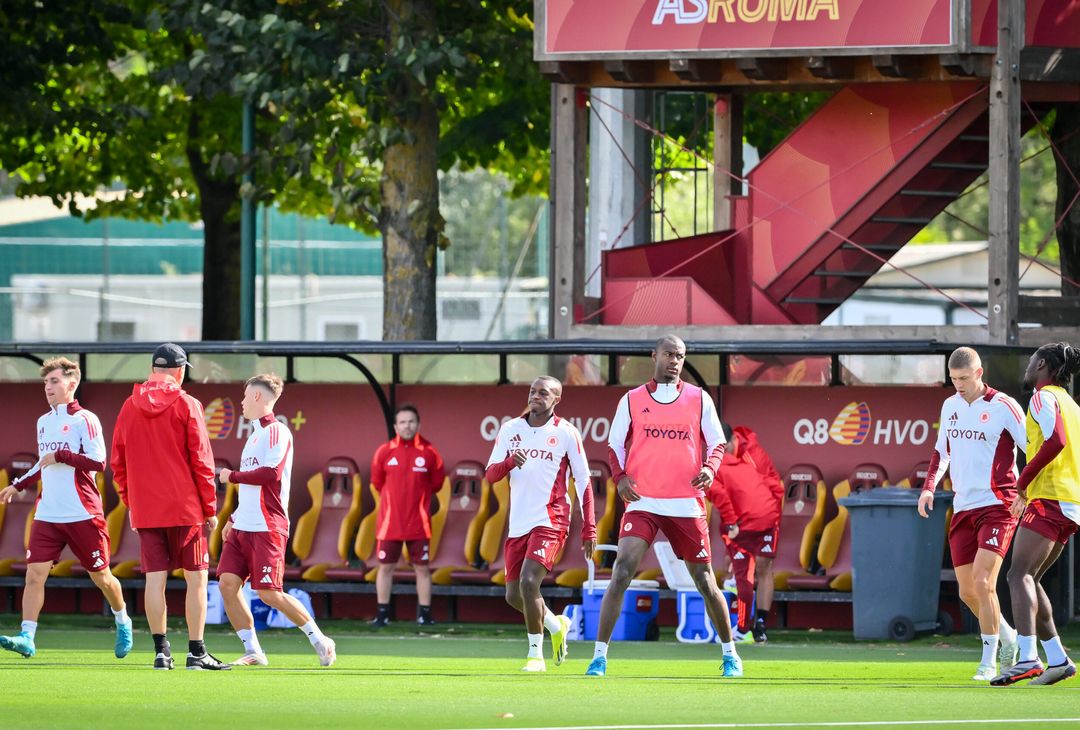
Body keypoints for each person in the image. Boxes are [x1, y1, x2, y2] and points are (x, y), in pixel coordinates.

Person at [587, 334, 741, 678]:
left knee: (704, 581)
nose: (674, 361)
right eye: (669, 354)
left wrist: (709, 468)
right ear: (654, 355)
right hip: (643, 501)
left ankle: (731, 655)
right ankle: (599, 658)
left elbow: (717, 443)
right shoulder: (632, 399)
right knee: (621, 571)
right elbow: (614, 445)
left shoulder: (699, 398)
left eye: (680, 356)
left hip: (685, 503)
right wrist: (620, 478)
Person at [0, 358, 133, 660]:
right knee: (34, 575)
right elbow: (42, 463)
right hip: (47, 513)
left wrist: (62, 455)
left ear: (72, 384)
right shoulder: (43, 421)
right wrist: (18, 485)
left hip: (83, 513)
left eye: (54, 381)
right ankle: (27, 636)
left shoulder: (86, 419)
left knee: (101, 577)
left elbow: (98, 462)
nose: (48, 387)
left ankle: (122, 621)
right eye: (46, 382)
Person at [111, 343, 228, 671]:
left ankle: (161, 652)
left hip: (147, 509)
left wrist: (132, 503)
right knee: (197, 579)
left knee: (155, 580)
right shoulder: (188, 403)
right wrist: (210, 508)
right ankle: (197, 652)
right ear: (180, 371)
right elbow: (202, 461)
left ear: (153, 369)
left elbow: (117, 463)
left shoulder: (128, 405)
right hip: (185, 508)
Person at [917, 346, 1024, 681]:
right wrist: (929, 487)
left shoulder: (1004, 406)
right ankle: (1008, 636)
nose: (959, 385)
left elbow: (1034, 448)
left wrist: (1026, 491)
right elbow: (941, 452)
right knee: (967, 592)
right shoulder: (950, 405)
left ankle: (989, 660)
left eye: (964, 378)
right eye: (953, 379)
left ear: (979, 373)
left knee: (983, 582)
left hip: (999, 506)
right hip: (963, 507)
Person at [217, 374, 336, 667]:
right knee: (227, 584)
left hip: (267, 526)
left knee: (269, 593)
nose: (242, 402)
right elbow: (251, 489)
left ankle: (320, 639)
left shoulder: (277, 431)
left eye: (245, 396)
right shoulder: (253, 436)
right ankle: (253, 650)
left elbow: (271, 474)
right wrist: (233, 517)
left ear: (257, 396)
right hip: (242, 526)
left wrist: (231, 476)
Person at [485, 376, 596, 672]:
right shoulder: (510, 429)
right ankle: (556, 624)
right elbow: (491, 474)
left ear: (556, 399)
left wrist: (589, 526)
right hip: (518, 522)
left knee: (529, 582)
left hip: (551, 519)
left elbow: (583, 480)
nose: (535, 396)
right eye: (533, 391)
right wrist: (510, 462)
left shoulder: (566, 432)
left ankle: (536, 655)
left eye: (543, 393)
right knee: (513, 595)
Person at [992, 342, 1080, 686]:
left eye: (1031, 361)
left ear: (1042, 364)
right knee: (1030, 577)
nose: (1027, 367)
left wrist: (1023, 482)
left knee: (1018, 576)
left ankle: (1028, 658)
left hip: (1051, 497)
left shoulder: (1043, 397)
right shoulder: (1070, 403)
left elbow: (1056, 441)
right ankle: (1057, 659)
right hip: (1069, 501)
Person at [369, 405, 446, 627]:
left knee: (422, 569)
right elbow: (377, 483)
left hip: (419, 523)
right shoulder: (384, 451)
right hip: (389, 524)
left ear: (419, 424)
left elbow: (437, 484)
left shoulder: (430, 452)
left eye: (411, 421)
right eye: (402, 422)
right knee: (385, 568)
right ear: (395, 426)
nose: (407, 426)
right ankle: (382, 614)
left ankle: (425, 615)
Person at [707, 421, 783, 644]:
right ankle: (744, 623)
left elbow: (772, 489)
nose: (722, 452)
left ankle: (759, 623)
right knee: (740, 565)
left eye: (725, 447)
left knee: (763, 566)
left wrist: (770, 518)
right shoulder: (718, 460)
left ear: (733, 440)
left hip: (768, 515)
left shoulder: (753, 455)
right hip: (742, 520)